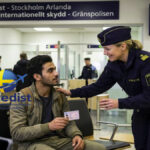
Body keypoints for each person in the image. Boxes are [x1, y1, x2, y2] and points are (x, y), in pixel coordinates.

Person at [58, 26, 150, 150]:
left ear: (123, 46)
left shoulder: (145, 62)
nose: (104, 53)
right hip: (140, 113)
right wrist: (70, 92)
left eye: (107, 49)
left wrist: (119, 103)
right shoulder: (113, 64)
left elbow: (148, 97)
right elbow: (98, 86)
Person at [9, 55, 105, 150]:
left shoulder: (59, 95)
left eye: (55, 69)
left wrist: (76, 135)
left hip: (58, 140)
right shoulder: (20, 97)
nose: (56, 73)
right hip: (31, 143)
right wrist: (48, 126)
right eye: (50, 71)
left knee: (98, 148)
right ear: (37, 76)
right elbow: (17, 132)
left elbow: (69, 122)